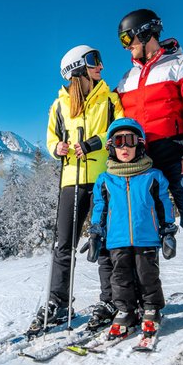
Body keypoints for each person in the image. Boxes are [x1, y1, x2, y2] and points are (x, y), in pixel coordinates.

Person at [114, 9, 183, 327]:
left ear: (146, 33)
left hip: (178, 155)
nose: (125, 46)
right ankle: (142, 300)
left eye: (127, 38)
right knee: (140, 230)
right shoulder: (125, 80)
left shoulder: (181, 64)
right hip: (143, 164)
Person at [29, 45, 124, 335]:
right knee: (63, 244)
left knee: (104, 240)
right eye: (95, 61)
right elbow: (51, 138)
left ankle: (110, 300)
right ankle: (58, 302)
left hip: (103, 177)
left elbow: (120, 129)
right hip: (71, 179)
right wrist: (56, 148)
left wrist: (94, 144)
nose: (101, 66)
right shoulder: (59, 106)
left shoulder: (110, 99)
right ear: (77, 69)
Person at [87, 118, 177, 338]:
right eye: (118, 141)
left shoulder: (152, 176)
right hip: (116, 239)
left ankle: (151, 308)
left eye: (129, 140)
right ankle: (125, 310)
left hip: (146, 237)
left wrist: (167, 231)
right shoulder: (105, 179)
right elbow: (100, 207)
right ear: (111, 147)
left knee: (147, 275)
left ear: (140, 143)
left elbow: (163, 204)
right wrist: (95, 232)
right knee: (120, 277)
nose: (124, 147)